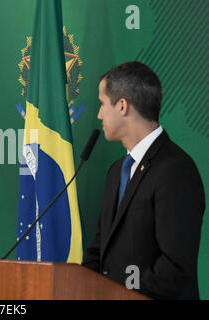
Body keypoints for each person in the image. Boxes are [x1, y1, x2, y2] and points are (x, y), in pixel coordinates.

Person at [82, 61, 205, 299]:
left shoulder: (176, 170)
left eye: (102, 103)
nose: (98, 114)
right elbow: (97, 252)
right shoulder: (116, 171)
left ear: (122, 106)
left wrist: (116, 295)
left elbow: (175, 267)